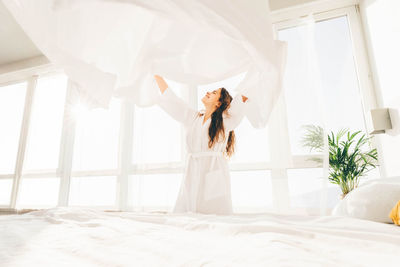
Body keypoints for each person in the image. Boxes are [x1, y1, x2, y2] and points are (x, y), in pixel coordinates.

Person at [154, 75, 249, 215]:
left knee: (215, 214)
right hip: (192, 170)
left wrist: (257, 71)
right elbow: (172, 100)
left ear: (219, 103)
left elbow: (244, 95)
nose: (209, 92)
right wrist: (156, 76)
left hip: (214, 170)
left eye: (214, 93)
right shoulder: (192, 117)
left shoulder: (226, 120)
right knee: (187, 213)